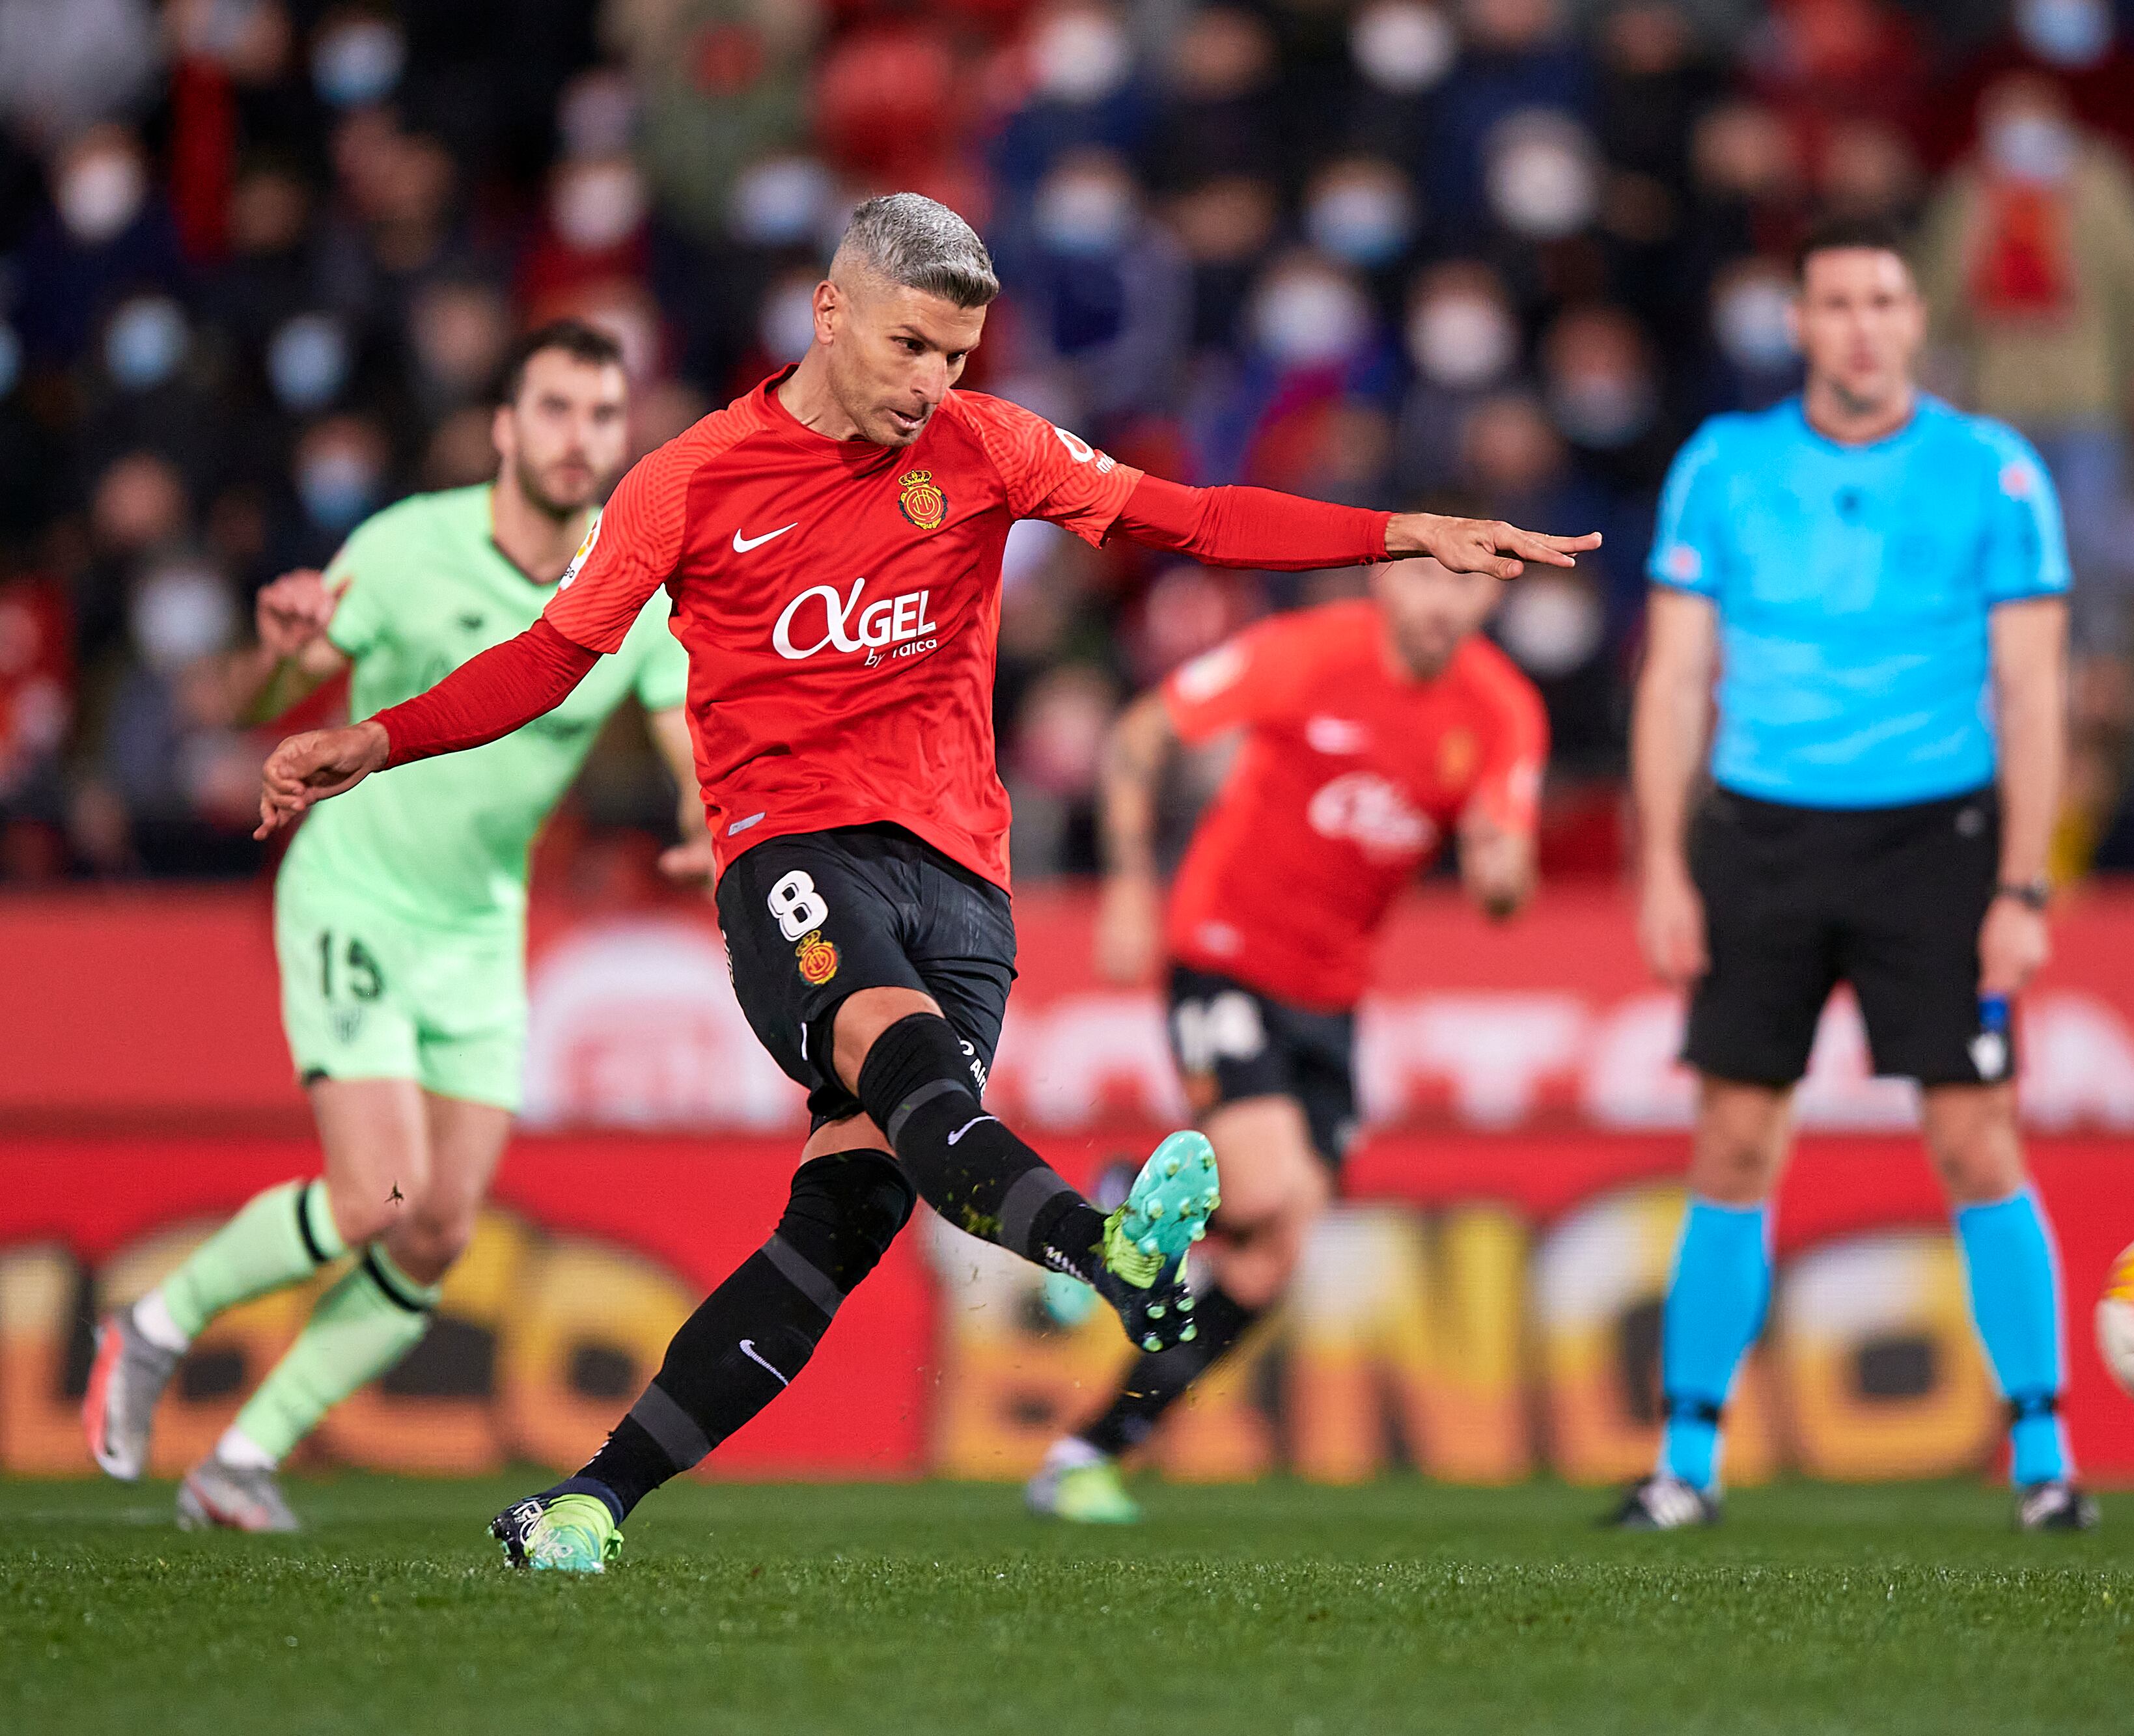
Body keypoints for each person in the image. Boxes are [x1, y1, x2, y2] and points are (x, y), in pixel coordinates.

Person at [253, 193, 1596, 1571]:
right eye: (909, 348)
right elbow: (552, 657)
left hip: (966, 884)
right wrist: (377, 735)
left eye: (954, 356)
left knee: (841, 1222)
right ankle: (1107, 1248)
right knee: (917, 1086)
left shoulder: (989, 445)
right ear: (826, 311)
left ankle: (587, 1500)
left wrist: (1398, 530)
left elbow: (1187, 519)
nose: (930, 385)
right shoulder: (690, 478)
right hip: (792, 850)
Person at [83, 321, 705, 1531]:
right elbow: (270, 699)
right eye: (558, 410)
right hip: (358, 890)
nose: (581, 438)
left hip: (480, 925)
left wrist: (701, 820)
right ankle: (153, 1322)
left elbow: (686, 733)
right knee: (379, 1196)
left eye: (602, 415)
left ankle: (237, 1464)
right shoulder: (409, 547)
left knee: (439, 1234)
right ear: (505, 430)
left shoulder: (630, 585)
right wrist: (273, 659)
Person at [1617, 213, 2088, 1532]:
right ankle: (1685, 1465)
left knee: (1971, 1132)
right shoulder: (1721, 465)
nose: (1861, 325)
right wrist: (1663, 863)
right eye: (1834, 303)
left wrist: (2022, 886)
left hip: (1936, 837)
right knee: (1730, 1139)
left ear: (1914, 318)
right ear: (1797, 323)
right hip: (1758, 834)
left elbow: (2035, 689)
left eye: (1882, 300)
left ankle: (2044, 1459)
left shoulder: (1994, 471)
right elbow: (1672, 679)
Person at [1028, 554, 1547, 1522]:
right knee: (1263, 1191)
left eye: (1468, 586)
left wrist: (1500, 869)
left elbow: (1504, 888)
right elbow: (1142, 733)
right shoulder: (1310, 654)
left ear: (1493, 597)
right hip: (1225, 948)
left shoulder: (1503, 711)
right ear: (1389, 581)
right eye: (1430, 578)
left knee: (1270, 1259)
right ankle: (1108, 1220)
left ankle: (1085, 1452)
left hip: (1333, 995)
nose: (1445, 603)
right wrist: (1131, 883)